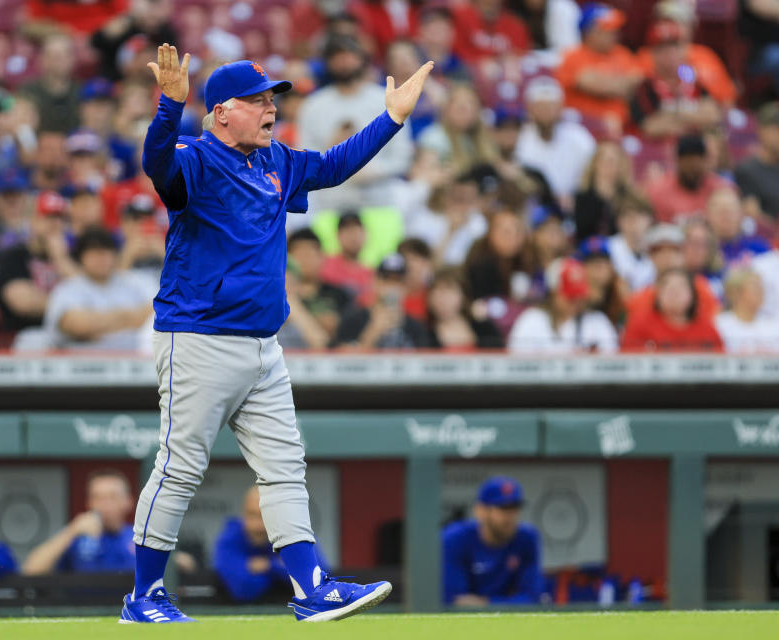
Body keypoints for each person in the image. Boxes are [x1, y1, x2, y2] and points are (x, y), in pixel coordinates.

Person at [127, 44, 433, 623]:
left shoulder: (276, 163)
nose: (271, 109)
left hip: (264, 346)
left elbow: (336, 165)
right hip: (199, 337)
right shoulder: (195, 158)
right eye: (257, 101)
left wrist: (391, 119)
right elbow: (155, 163)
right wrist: (170, 106)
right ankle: (143, 597)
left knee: (285, 467)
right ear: (221, 112)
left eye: (273, 100)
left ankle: (311, 587)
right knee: (180, 466)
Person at [297, 35, 414, 213]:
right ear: (328, 62)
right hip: (330, 206)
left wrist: (368, 170)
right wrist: (332, 154)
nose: (344, 62)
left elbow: (403, 156)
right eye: (337, 56)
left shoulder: (385, 99)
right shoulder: (313, 106)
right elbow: (303, 158)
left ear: (361, 59)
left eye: (349, 55)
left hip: (380, 203)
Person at [43, 225, 156, 352]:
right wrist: (134, 318)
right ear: (81, 257)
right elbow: (78, 326)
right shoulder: (67, 288)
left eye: (106, 250)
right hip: (82, 366)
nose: (102, 257)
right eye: (94, 252)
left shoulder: (135, 281)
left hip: (135, 364)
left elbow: (161, 312)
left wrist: (99, 325)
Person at [214, 486, 328, 603]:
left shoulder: (295, 534)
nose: (257, 525)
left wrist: (268, 566)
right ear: (243, 513)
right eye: (251, 515)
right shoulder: (230, 537)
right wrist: (287, 570)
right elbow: (242, 589)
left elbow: (318, 581)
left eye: (264, 516)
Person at [442, 476, 543, 606]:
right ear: (480, 511)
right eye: (503, 508)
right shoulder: (454, 538)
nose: (510, 516)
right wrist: (508, 602)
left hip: (510, 622)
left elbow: (532, 597)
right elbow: (454, 600)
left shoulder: (527, 538)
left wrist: (486, 603)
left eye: (515, 508)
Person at [23, 469, 136, 574]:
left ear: (128, 501)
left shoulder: (140, 539)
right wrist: (71, 531)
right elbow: (30, 570)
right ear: (89, 503)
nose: (105, 505)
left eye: (113, 497)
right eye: (97, 497)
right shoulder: (76, 538)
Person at [0, 191, 76, 335]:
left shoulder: (72, 256)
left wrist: (61, 259)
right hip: (30, 333)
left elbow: (93, 295)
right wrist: (74, 309)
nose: (55, 224)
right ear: (32, 221)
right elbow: (23, 302)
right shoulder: (15, 256)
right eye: (48, 217)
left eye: (60, 218)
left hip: (75, 334)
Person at [556, 3, 642, 133]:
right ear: (588, 33)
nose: (614, 34)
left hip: (621, 128)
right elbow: (593, 85)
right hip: (582, 128)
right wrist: (621, 83)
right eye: (607, 30)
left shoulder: (622, 53)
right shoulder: (573, 56)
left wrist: (604, 82)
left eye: (615, 30)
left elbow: (638, 81)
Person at [629, 20, 721, 141]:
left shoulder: (694, 83)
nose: (670, 54)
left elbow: (712, 115)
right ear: (653, 53)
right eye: (663, 48)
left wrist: (673, 116)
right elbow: (650, 127)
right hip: (661, 152)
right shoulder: (645, 88)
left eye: (675, 47)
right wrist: (695, 120)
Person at [514, 75, 596, 210]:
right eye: (540, 106)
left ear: (560, 108)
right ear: (529, 109)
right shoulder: (520, 139)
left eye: (550, 106)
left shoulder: (579, 138)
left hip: (576, 205)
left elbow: (593, 173)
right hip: (533, 206)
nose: (546, 111)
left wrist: (575, 197)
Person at [507, 257, 618, 354]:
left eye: (580, 295)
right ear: (553, 292)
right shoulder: (532, 320)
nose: (577, 302)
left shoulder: (597, 321)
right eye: (571, 298)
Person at [334, 253, 433, 350]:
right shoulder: (353, 320)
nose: (391, 285)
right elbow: (340, 362)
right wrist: (372, 333)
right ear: (375, 282)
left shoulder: (417, 327)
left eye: (398, 280)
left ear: (405, 286)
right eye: (386, 279)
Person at [279, 229, 350, 350]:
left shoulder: (339, 294)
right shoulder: (278, 297)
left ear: (322, 257)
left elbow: (343, 339)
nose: (306, 260)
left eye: (310, 254)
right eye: (300, 255)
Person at [622, 267, 724, 352]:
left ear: (692, 295)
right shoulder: (639, 324)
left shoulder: (706, 328)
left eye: (681, 288)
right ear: (657, 294)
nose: (675, 293)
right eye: (668, 288)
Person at [644, 134, 731, 224]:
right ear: (678, 161)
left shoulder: (720, 188)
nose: (692, 166)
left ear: (705, 161)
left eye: (696, 160)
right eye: (687, 161)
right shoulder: (659, 191)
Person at [408, 171, 488, 267]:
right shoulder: (425, 220)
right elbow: (428, 266)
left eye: (469, 200)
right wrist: (450, 232)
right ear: (446, 198)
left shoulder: (479, 225)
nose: (463, 206)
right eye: (459, 199)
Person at [19, 33, 81, 134]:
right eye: (54, 55)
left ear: (73, 59)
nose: (59, 61)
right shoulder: (28, 92)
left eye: (65, 55)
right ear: (42, 59)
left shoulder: (82, 93)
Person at [573, 140, 635, 241]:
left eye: (615, 162)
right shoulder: (582, 197)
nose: (610, 166)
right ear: (595, 163)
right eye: (607, 161)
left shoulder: (629, 197)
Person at [427, 268, 503, 349]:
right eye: (437, 293)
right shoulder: (425, 334)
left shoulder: (483, 327)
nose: (442, 300)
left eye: (448, 292)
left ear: (463, 295)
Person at [715, 266, 779, 354]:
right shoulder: (720, 325)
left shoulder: (772, 325)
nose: (761, 291)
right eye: (755, 287)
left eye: (761, 287)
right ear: (735, 293)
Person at [735, 102, 779, 223]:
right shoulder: (747, 170)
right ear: (762, 131)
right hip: (768, 237)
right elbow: (753, 214)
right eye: (776, 130)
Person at [452, 0, 531, 67]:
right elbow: (455, 54)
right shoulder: (460, 17)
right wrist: (479, 63)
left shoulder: (515, 25)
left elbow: (524, 57)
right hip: (468, 76)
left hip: (508, 79)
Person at [705, 187, 770, 267]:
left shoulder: (759, 248)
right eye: (720, 211)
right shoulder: (701, 251)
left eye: (730, 211)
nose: (725, 216)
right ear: (708, 215)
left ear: (741, 213)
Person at [319, 211, 374, 302]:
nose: (353, 237)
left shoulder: (371, 274)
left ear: (364, 235)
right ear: (338, 235)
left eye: (356, 231)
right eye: (348, 231)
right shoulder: (324, 264)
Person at [607, 194, 656, 292]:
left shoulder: (655, 252)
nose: (634, 221)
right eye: (627, 215)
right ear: (618, 221)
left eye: (639, 214)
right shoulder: (608, 247)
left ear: (649, 219)